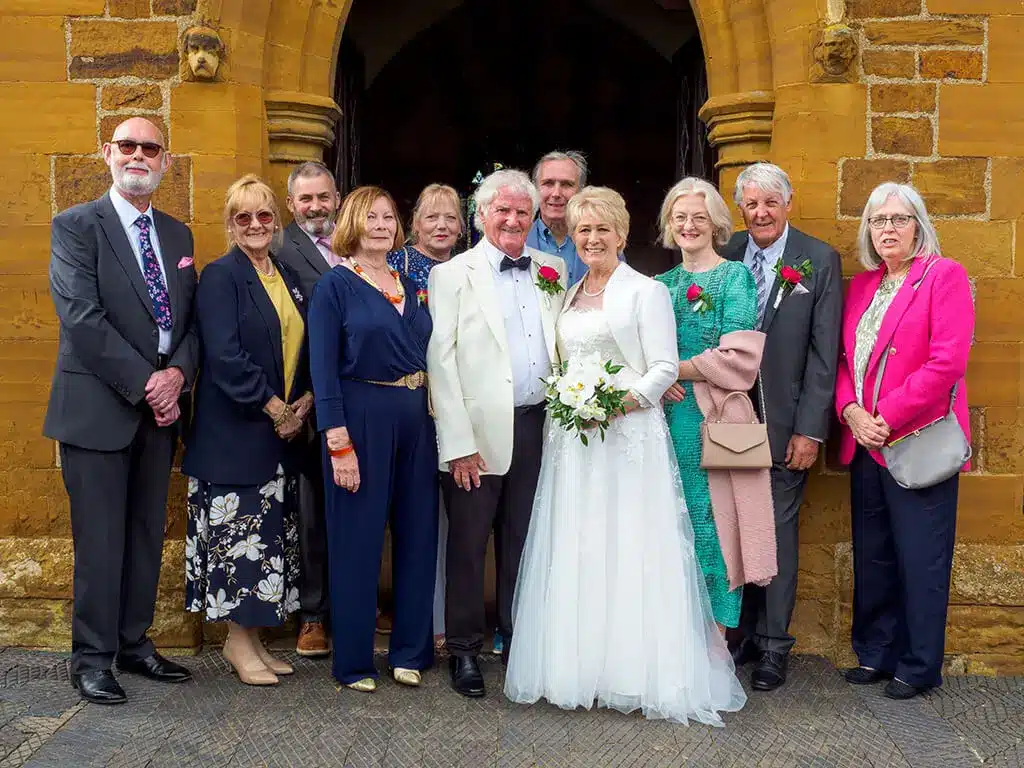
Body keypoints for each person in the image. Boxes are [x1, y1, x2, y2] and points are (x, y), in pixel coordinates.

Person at [504, 186, 747, 725]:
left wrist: (613, 405)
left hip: (627, 436)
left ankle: (633, 671)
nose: (592, 238)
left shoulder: (645, 291)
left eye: (602, 229)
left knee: (630, 542)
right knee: (582, 541)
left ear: (621, 233)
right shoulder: (569, 292)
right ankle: (579, 666)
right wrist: (572, 401)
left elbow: (663, 367)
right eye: (583, 230)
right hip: (574, 442)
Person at [44, 117, 198, 705]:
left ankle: (134, 643)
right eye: (127, 145)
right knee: (100, 541)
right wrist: (148, 382)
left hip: (160, 413)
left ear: (165, 160)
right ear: (107, 153)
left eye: (150, 148)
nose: (138, 155)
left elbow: (189, 321)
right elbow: (81, 318)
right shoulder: (76, 226)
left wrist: (178, 374)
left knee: (145, 534)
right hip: (98, 409)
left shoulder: (178, 235)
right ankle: (91, 658)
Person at [427, 168, 566, 698]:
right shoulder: (452, 274)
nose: (512, 220)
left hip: (538, 424)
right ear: (481, 215)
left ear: (534, 217)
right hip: (477, 435)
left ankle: (515, 640)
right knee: (467, 544)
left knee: (523, 539)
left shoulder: (552, 268)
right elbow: (441, 362)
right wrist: (458, 444)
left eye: (521, 212)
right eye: (501, 210)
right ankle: (464, 649)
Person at [836, 183, 973, 700]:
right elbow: (844, 361)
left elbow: (947, 362)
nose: (888, 229)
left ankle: (917, 666)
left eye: (899, 218)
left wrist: (885, 416)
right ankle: (875, 653)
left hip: (915, 440)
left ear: (919, 225)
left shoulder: (944, 276)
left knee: (921, 557)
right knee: (874, 556)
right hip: (864, 443)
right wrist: (851, 412)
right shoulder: (862, 286)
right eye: (878, 220)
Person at [308, 186, 438, 693]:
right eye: (371, 217)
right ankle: (355, 661)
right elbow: (323, 370)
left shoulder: (411, 284)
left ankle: (410, 652)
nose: (381, 225)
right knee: (358, 540)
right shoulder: (335, 286)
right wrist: (338, 443)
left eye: (388, 217)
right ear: (352, 224)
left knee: (418, 533)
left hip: (417, 417)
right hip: (361, 416)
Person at [182, 175, 309, 686]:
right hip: (235, 436)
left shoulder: (287, 274)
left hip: (279, 436)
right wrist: (278, 409)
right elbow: (226, 357)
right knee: (240, 542)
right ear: (230, 225)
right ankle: (236, 642)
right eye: (243, 217)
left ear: (276, 221)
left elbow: (303, 345)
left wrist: (305, 401)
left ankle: (253, 637)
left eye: (264, 215)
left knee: (266, 540)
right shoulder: (221, 276)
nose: (255, 224)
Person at [722, 162, 843, 692]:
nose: (761, 212)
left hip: (785, 424)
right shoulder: (726, 254)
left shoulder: (817, 259)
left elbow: (824, 352)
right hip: (728, 418)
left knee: (775, 532)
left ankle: (774, 645)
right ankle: (743, 635)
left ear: (789, 203)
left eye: (771, 202)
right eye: (751, 203)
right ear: (740, 209)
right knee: (735, 528)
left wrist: (810, 430)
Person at [655, 178, 776, 632]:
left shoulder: (735, 277)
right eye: (680, 217)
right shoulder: (658, 285)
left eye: (699, 217)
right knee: (669, 525)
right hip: (662, 420)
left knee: (715, 528)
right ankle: (673, 640)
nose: (688, 225)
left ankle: (714, 645)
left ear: (716, 224)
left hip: (715, 420)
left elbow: (739, 359)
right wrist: (656, 379)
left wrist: (671, 370)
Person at [387, 183, 464, 649]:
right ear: (414, 223)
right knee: (417, 516)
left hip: (457, 406)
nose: (441, 226)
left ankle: (451, 619)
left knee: (456, 517)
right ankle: (422, 621)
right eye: (432, 217)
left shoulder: (468, 268)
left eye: (450, 218)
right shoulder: (395, 266)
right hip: (411, 402)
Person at [277, 160, 343, 659]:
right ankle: (313, 615)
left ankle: (355, 602)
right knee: (313, 511)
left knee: (361, 507)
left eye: (323, 196)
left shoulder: (359, 241)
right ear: (291, 203)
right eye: (306, 199)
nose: (316, 206)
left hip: (363, 394)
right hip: (308, 402)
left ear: (337, 197)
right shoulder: (279, 248)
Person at [526, 151, 588, 286]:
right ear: (535, 189)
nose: (556, 193)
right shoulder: (517, 241)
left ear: (580, 191)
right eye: (548, 183)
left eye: (566, 184)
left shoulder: (603, 242)